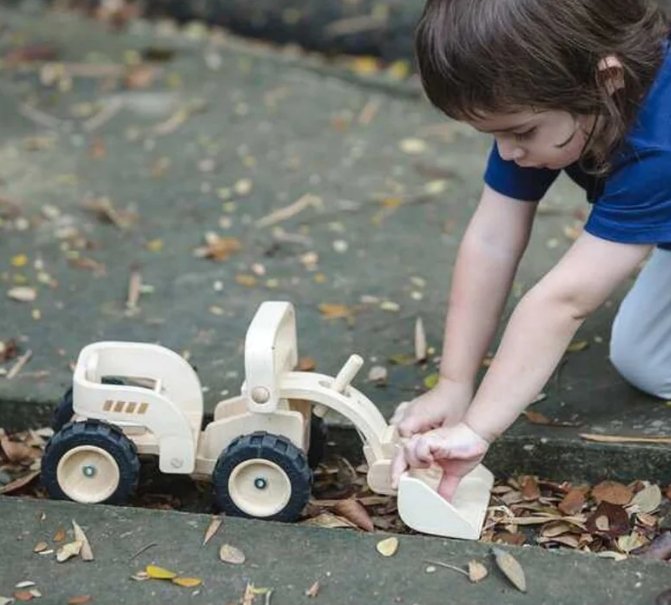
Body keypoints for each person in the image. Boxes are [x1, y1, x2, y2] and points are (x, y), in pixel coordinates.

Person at [390, 0, 671, 501]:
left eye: (520, 132)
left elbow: (566, 300)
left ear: (607, 80)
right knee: (644, 357)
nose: (507, 151)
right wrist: (455, 382)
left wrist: (478, 430)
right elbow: (492, 238)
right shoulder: (553, 98)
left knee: (643, 358)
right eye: (495, 133)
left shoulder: (659, 149)